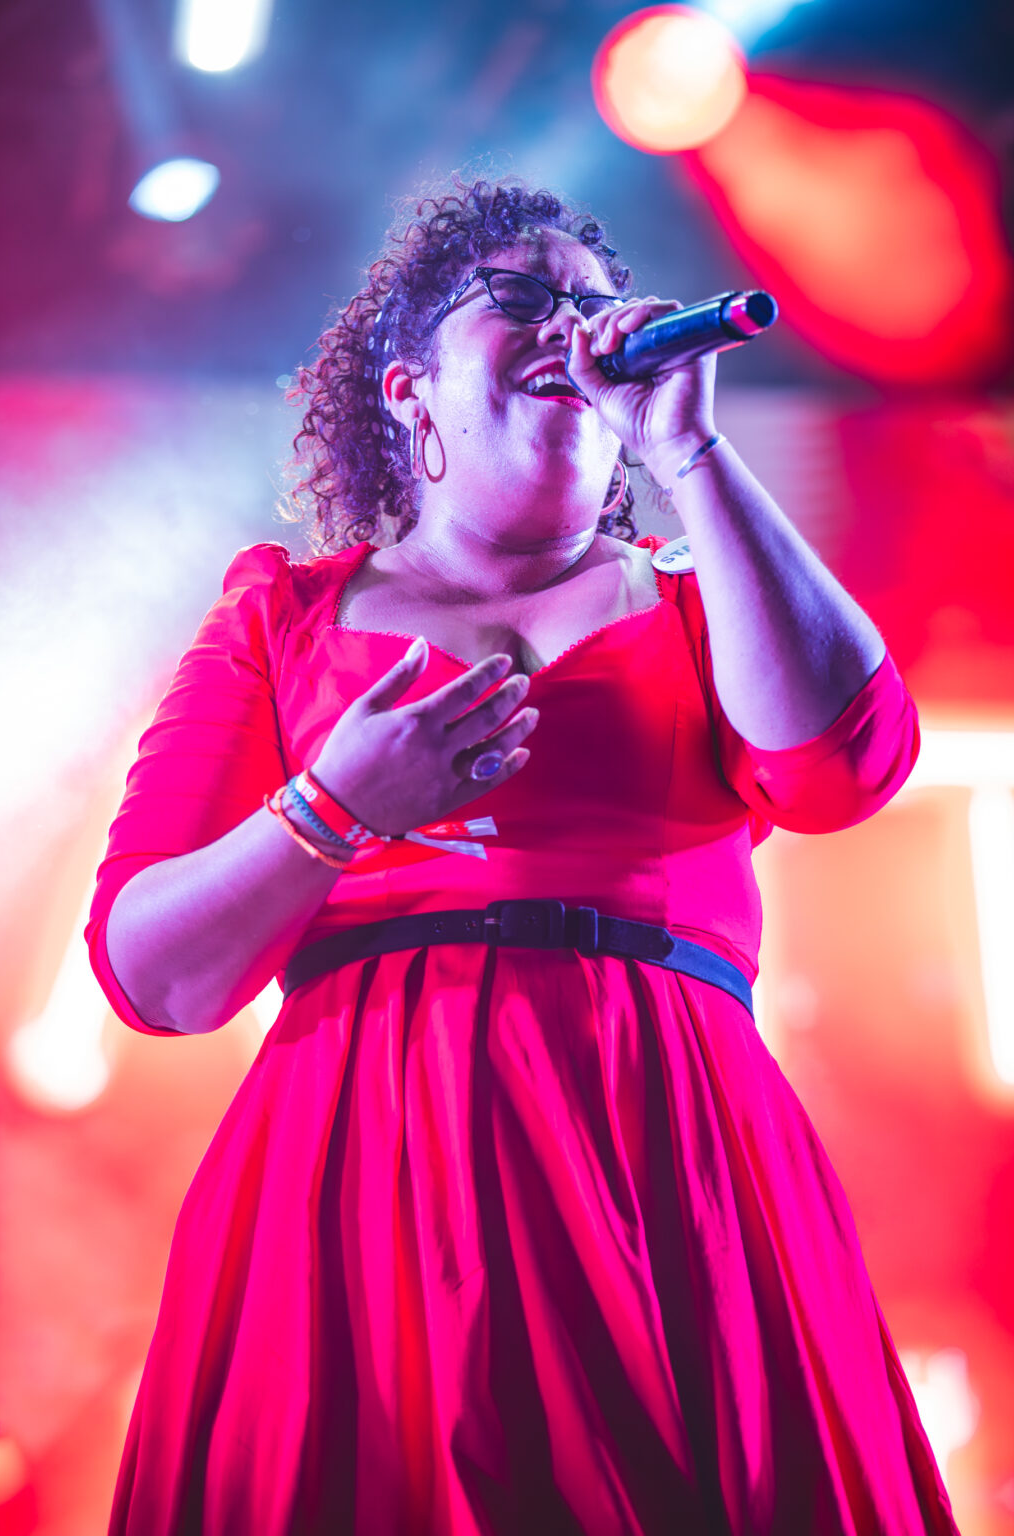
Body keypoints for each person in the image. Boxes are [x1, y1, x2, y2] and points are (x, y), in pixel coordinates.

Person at [86, 177, 958, 1535]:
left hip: (662, 1139)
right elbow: (154, 973)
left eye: (594, 307)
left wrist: (689, 456)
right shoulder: (283, 620)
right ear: (408, 388)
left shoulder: (691, 603)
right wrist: (336, 806)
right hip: (369, 1153)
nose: (574, 327)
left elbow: (849, 768)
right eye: (523, 301)